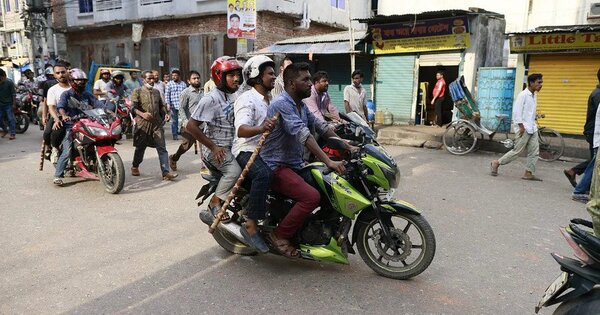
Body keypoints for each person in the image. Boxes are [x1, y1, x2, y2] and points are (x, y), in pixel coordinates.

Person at [260, 62, 346, 258]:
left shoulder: (300, 104)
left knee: (329, 187)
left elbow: (321, 127)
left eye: (310, 79)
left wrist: (347, 145)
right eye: (305, 79)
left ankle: (316, 230)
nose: (310, 83)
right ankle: (279, 235)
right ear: (291, 83)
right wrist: (328, 161)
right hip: (276, 165)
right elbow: (303, 134)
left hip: (295, 164)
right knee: (311, 197)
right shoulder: (282, 103)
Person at [187, 56, 242, 222]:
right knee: (234, 172)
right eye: (231, 75)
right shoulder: (210, 99)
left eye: (237, 74)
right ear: (219, 76)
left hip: (234, 146)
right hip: (216, 150)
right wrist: (213, 147)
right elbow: (191, 126)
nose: (236, 78)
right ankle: (215, 202)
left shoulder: (236, 94)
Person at [231, 55, 277, 253]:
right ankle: (250, 224)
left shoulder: (271, 99)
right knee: (263, 174)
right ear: (257, 76)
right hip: (245, 149)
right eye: (270, 74)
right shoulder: (247, 99)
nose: (274, 77)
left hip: (265, 150)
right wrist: (261, 128)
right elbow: (241, 130)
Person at [53, 68, 105, 185]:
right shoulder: (66, 94)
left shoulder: (87, 94)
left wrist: (107, 110)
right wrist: (64, 115)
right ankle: (57, 175)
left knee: (99, 139)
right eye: (78, 80)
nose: (81, 83)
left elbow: (98, 104)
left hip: (87, 123)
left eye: (83, 81)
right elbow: (60, 106)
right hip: (71, 125)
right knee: (67, 150)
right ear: (72, 81)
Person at [490, 73, 544, 181]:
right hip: (523, 128)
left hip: (532, 127)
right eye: (539, 82)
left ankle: (528, 173)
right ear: (531, 83)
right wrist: (521, 127)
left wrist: (536, 117)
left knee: (534, 151)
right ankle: (496, 163)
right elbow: (516, 112)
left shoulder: (534, 95)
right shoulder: (523, 95)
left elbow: (528, 112)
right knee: (517, 151)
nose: (541, 85)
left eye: (541, 82)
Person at [130, 71, 178, 181]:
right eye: (149, 79)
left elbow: (161, 106)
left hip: (157, 124)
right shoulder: (137, 91)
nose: (152, 81)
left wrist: (166, 113)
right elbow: (132, 108)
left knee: (162, 148)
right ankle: (135, 165)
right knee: (140, 148)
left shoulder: (156, 92)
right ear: (143, 80)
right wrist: (142, 114)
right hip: (143, 125)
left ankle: (166, 172)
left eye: (153, 78)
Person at [564, 68, 600, 188]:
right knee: (595, 161)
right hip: (594, 131)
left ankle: (575, 173)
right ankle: (582, 188)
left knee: (595, 160)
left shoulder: (597, 92)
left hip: (593, 130)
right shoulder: (598, 94)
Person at [169, 70, 204, 171]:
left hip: (202, 124)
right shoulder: (186, 92)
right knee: (186, 146)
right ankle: (174, 158)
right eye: (194, 78)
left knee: (205, 145)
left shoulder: (202, 92)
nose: (196, 80)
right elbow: (181, 108)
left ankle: (205, 166)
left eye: (198, 78)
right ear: (189, 81)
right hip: (190, 124)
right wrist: (185, 121)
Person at [44, 63, 71, 163]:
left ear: (67, 72)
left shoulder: (76, 87)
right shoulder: (52, 90)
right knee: (48, 133)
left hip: (77, 116)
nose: (61, 75)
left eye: (63, 72)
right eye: (58, 73)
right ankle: (54, 149)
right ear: (54, 75)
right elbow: (51, 107)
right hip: (59, 116)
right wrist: (56, 119)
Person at [165, 69, 187, 141]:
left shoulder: (183, 84)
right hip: (173, 105)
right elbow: (167, 95)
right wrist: (168, 104)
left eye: (175, 75)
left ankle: (181, 132)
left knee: (183, 120)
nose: (174, 77)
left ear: (179, 76)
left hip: (182, 105)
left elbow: (186, 95)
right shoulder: (169, 84)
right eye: (173, 75)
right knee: (174, 121)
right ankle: (175, 135)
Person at [0, 69, 17, 140]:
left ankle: (12, 133)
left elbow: (13, 94)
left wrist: (14, 104)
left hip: (8, 104)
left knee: (11, 119)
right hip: (0, 105)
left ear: (3, 76)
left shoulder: (9, 83)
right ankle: (5, 130)